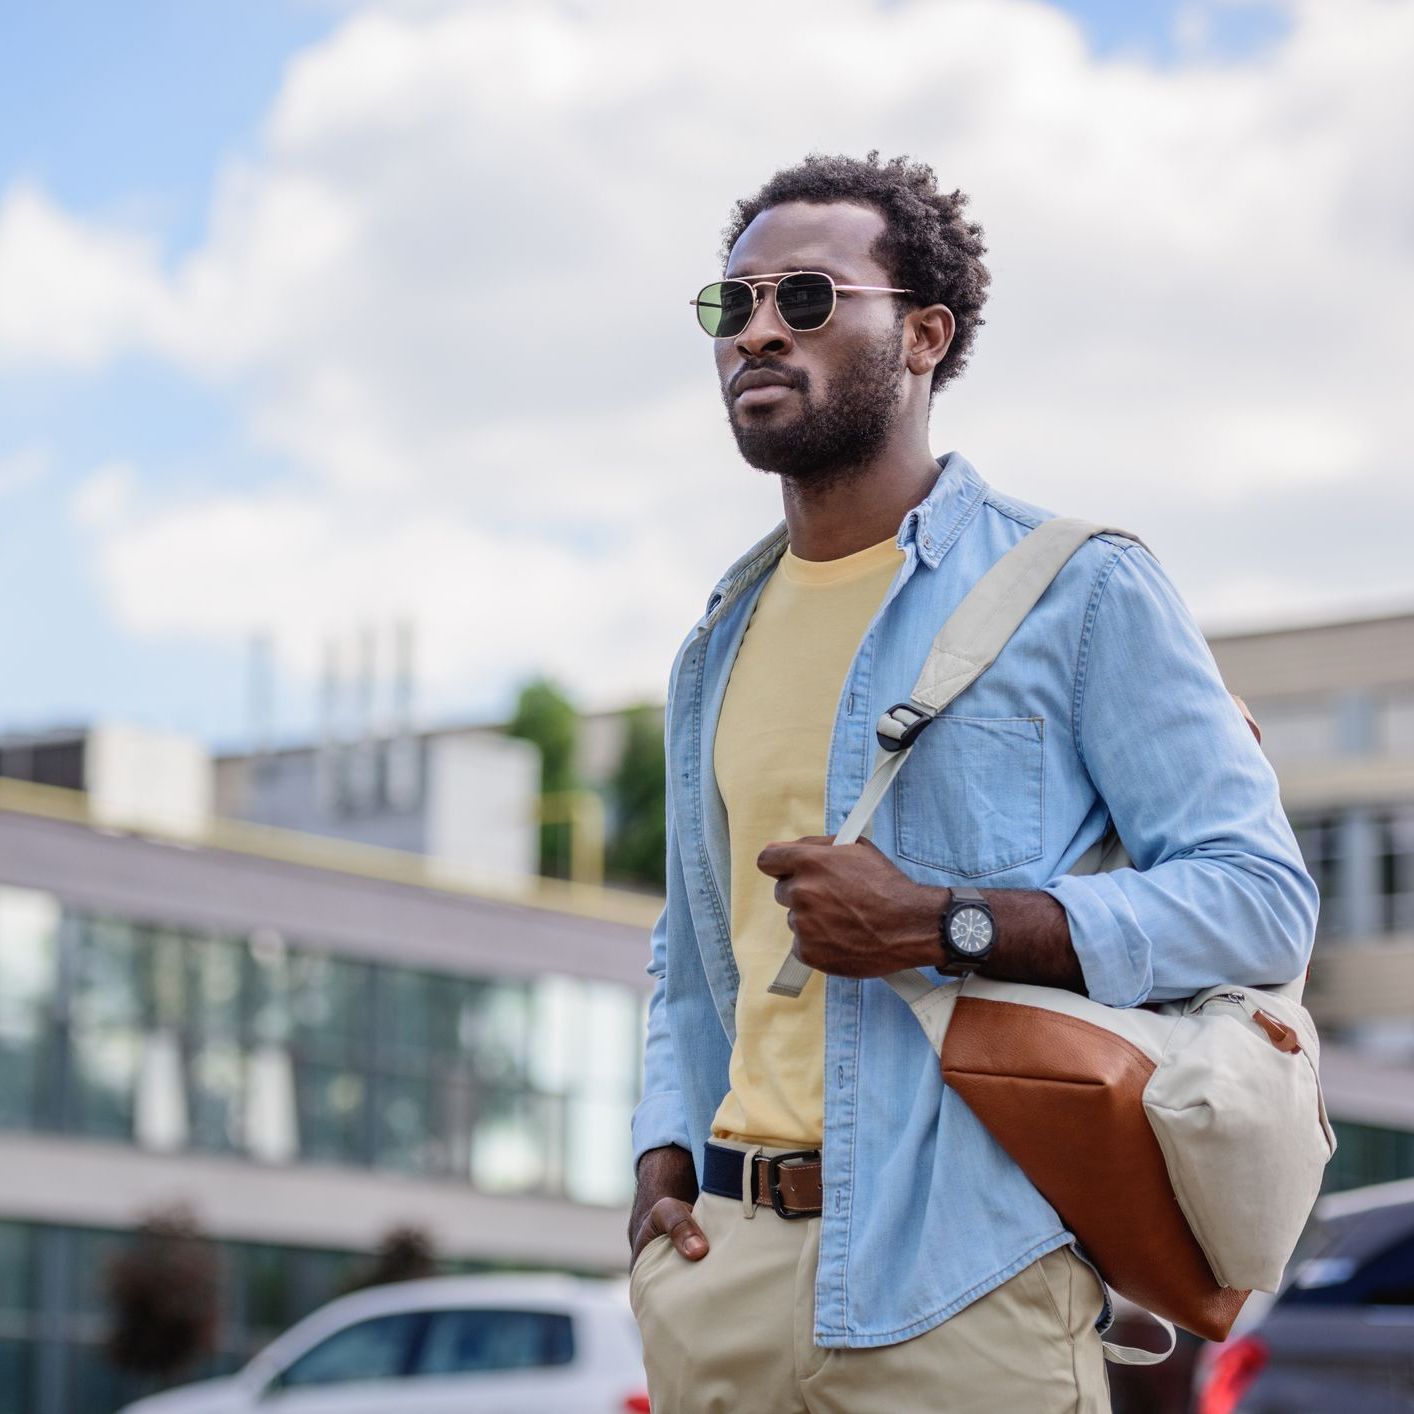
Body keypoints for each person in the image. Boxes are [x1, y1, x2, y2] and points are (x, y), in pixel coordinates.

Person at [626, 151, 1317, 1413]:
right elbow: (688, 945)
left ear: (925, 335)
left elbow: (1259, 898)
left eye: (810, 299)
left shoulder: (1081, 589)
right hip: (719, 1276)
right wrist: (658, 1158)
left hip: (963, 1281)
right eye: (732, 306)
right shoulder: (711, 642)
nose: (758, 332)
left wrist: (946, 921)